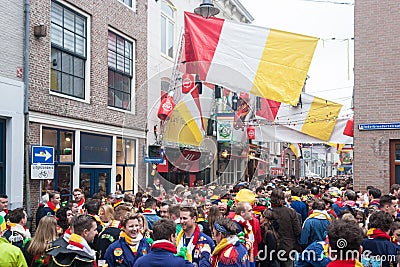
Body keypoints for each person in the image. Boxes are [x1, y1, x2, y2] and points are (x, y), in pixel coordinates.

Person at [269, 188, 301, 267]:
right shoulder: (291, 212)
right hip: (288, 247)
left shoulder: (268, 212)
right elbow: (297, 231)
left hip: (271, 248)